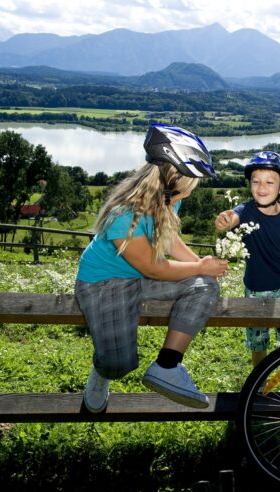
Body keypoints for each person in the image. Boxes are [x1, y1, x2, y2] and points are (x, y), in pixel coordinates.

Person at [75, 123, 228, 412]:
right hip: (105, 282)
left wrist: (203, 267)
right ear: (174, 177)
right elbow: (153, 267)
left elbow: (169, 240)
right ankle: (101, 372)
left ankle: (167, 366)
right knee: (120, 364)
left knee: (204, 285)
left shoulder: (168, 198)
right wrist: (199, 265)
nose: (193, 189)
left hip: (142, 276)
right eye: (191, 181)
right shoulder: (124, 212)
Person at [214, 151, 280, 390]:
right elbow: (231, 218)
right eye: (256, 181)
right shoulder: (246, 211)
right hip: (255, 288)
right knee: (257, 339)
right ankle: (261, 381)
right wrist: (225, 221)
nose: (261, 187)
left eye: (269, 181)